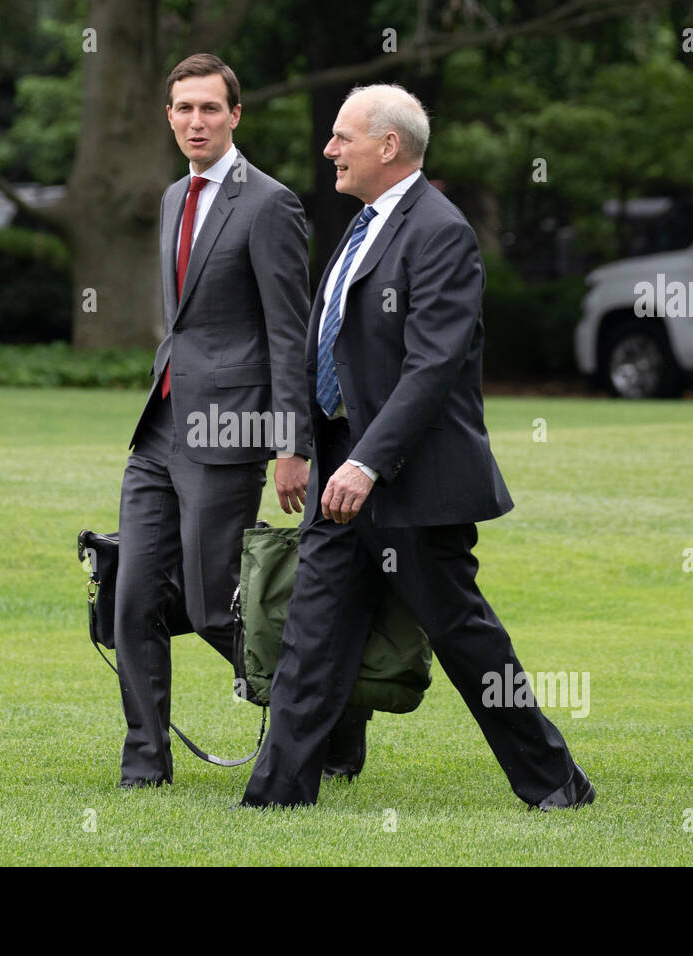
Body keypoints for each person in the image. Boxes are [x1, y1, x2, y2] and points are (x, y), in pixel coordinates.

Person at [238, 84, 595, 810]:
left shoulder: (440, 231)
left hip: (410, 481)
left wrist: (369, 462)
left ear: (389, 146)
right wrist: (305, 444)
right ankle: (275, 798)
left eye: (343, 137)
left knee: (464, 637)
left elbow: (433, 367)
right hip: (343, 467)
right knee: (312, 632)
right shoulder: (365, 223)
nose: (329, 149)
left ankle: (557, 785)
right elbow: (326, 347)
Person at [112, 54, 322, 788]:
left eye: (209, 108)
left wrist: (291, 444)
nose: (194, 121)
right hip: (159, 426)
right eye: (182, 109)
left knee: (210, 607)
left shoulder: (269, 203)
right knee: (131, 598)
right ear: (168, 116)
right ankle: (145, 764)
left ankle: (323, 714)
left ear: (236, 115)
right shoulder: (173, 197)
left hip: (230, 432)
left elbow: (289, 334)